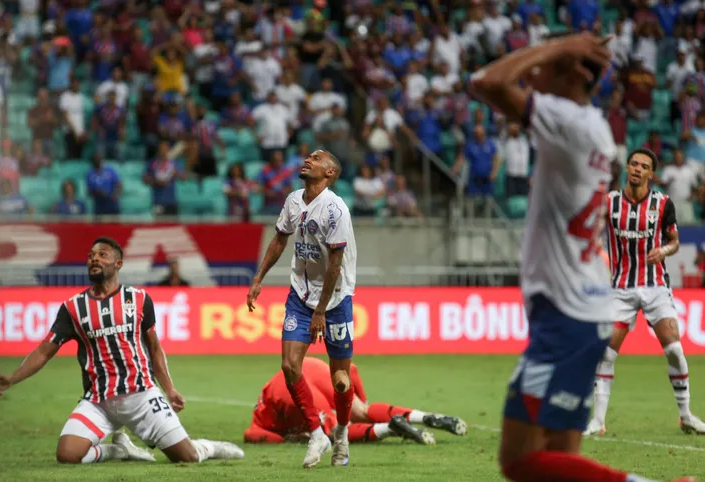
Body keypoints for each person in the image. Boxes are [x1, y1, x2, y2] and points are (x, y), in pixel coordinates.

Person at [470, 32, 695, 482]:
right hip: (587, 310)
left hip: (564, 319)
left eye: (546, 69)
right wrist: (563, 56)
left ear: (572, 72)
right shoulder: (593, 127)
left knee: (517, 460)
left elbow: (485, 82)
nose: (534, 74)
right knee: (561, 457)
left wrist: (556, 48)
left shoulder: (566, 119)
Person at [0, 238, 244, 465]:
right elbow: (44, 351)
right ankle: (116, 451)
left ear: (118, 264)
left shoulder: (139, 299)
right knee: (67, 455)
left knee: (187, 457)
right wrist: (13, 378)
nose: (94, 259)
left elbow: (154, 348)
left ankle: (208, 447)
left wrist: (170, 389)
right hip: (99, 400)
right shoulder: (73, 308)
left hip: (142, 395)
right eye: (91, 256)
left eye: (102, 255)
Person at [246, 149, 356, 469]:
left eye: (317, 159)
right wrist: (258, 278)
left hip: (335, 300)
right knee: (290, 365)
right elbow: (280, 238)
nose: (308, 160)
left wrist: (321, 311)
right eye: (308, 156)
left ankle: (343, 431)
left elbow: (336, 263)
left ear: (330, 172)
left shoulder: (336, 210)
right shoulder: (294, 200)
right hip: (300, 294)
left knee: (339, 379)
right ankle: (316, 433)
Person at [585, 148, 705, 437]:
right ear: (627, 167)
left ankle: (686, 415)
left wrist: (663, 250)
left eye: (645, 166)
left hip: (655, 287)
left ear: (652, 173)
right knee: (605, 355)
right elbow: (590, 232)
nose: (638, 169)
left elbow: (674, 241)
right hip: (621, 289)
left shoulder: (663, 203)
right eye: (634, 164)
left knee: (675, 350)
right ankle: (598, 421)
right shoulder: (610, 202)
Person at [243, 357, 466, 445]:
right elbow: (353, 370)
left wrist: (286, 440)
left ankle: (389, 428)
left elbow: (250, 434)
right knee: (361, 410)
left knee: (336, 432)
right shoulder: (267, 407)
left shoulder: (266, 419)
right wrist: (360, 401)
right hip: (310, 366)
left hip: (290, 390)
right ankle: (424, 417)